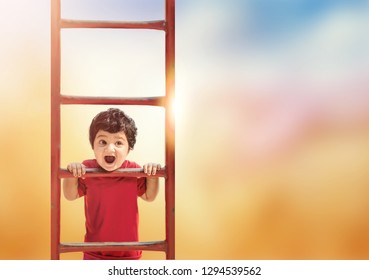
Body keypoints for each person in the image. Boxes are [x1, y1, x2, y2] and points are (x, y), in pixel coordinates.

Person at [63, 108, 161, 260]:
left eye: (118, 143)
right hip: (94, 252)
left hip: (128, 253)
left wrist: (153, 175)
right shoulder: (88, 169)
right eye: (103, 142)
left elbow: (149, 196)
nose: (110, 148)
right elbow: (70, 195)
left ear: (129, 148)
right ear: (93, 145)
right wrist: (71, 173)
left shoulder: (133, 170)